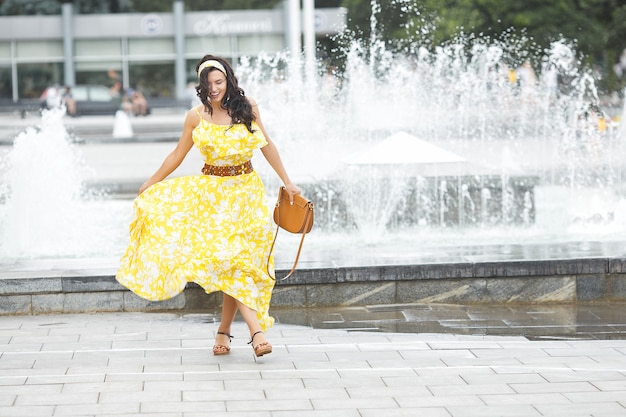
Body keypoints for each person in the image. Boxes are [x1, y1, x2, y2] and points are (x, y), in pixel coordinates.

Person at [115, 54, 300, 358]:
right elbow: (177, 154)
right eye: (208, 84)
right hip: (211, 195)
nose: (214, 88)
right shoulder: (195, 116)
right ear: (201, 86)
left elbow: (267, 146)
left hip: (246, 193)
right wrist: (151, 181)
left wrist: (288, 182)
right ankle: (256, 332)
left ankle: (223, 332)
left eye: (219, 82)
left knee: (238, 262)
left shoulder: (247, 107)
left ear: (228, 80)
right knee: (227, 259)